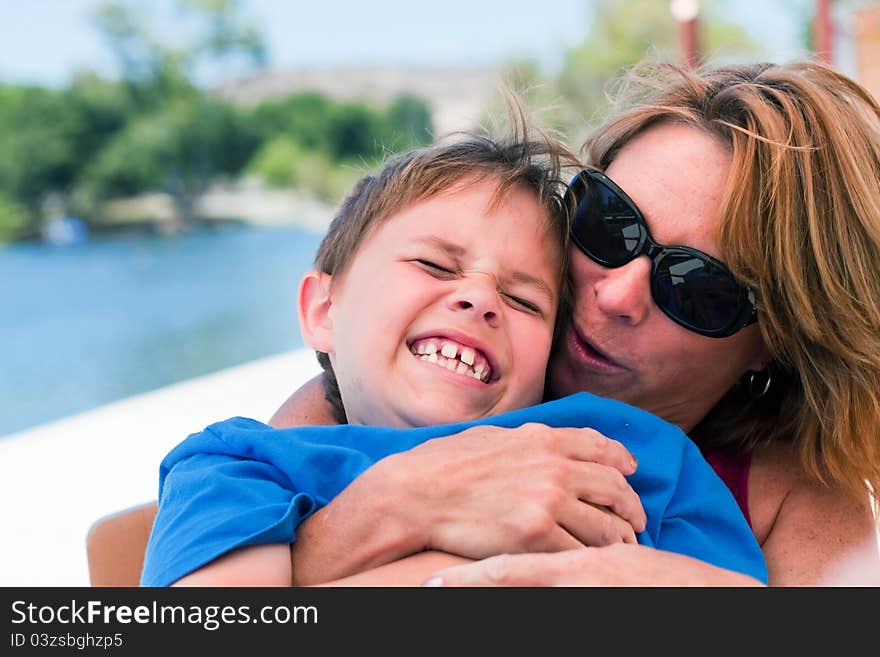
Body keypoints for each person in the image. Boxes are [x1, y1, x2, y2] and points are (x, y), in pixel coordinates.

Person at [263, 59, 880, 587]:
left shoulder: (795, 496)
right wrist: (404, 503)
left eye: (697, 285)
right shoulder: (375, 389)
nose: (617, 293)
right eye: (609, 222)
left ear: (775, 344)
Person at [140, 106, 767, 587]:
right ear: (323, 311)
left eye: (525, 301)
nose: (480, 299)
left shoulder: (635, 453)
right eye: (435, 265)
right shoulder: (240, 468)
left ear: (550, 353)